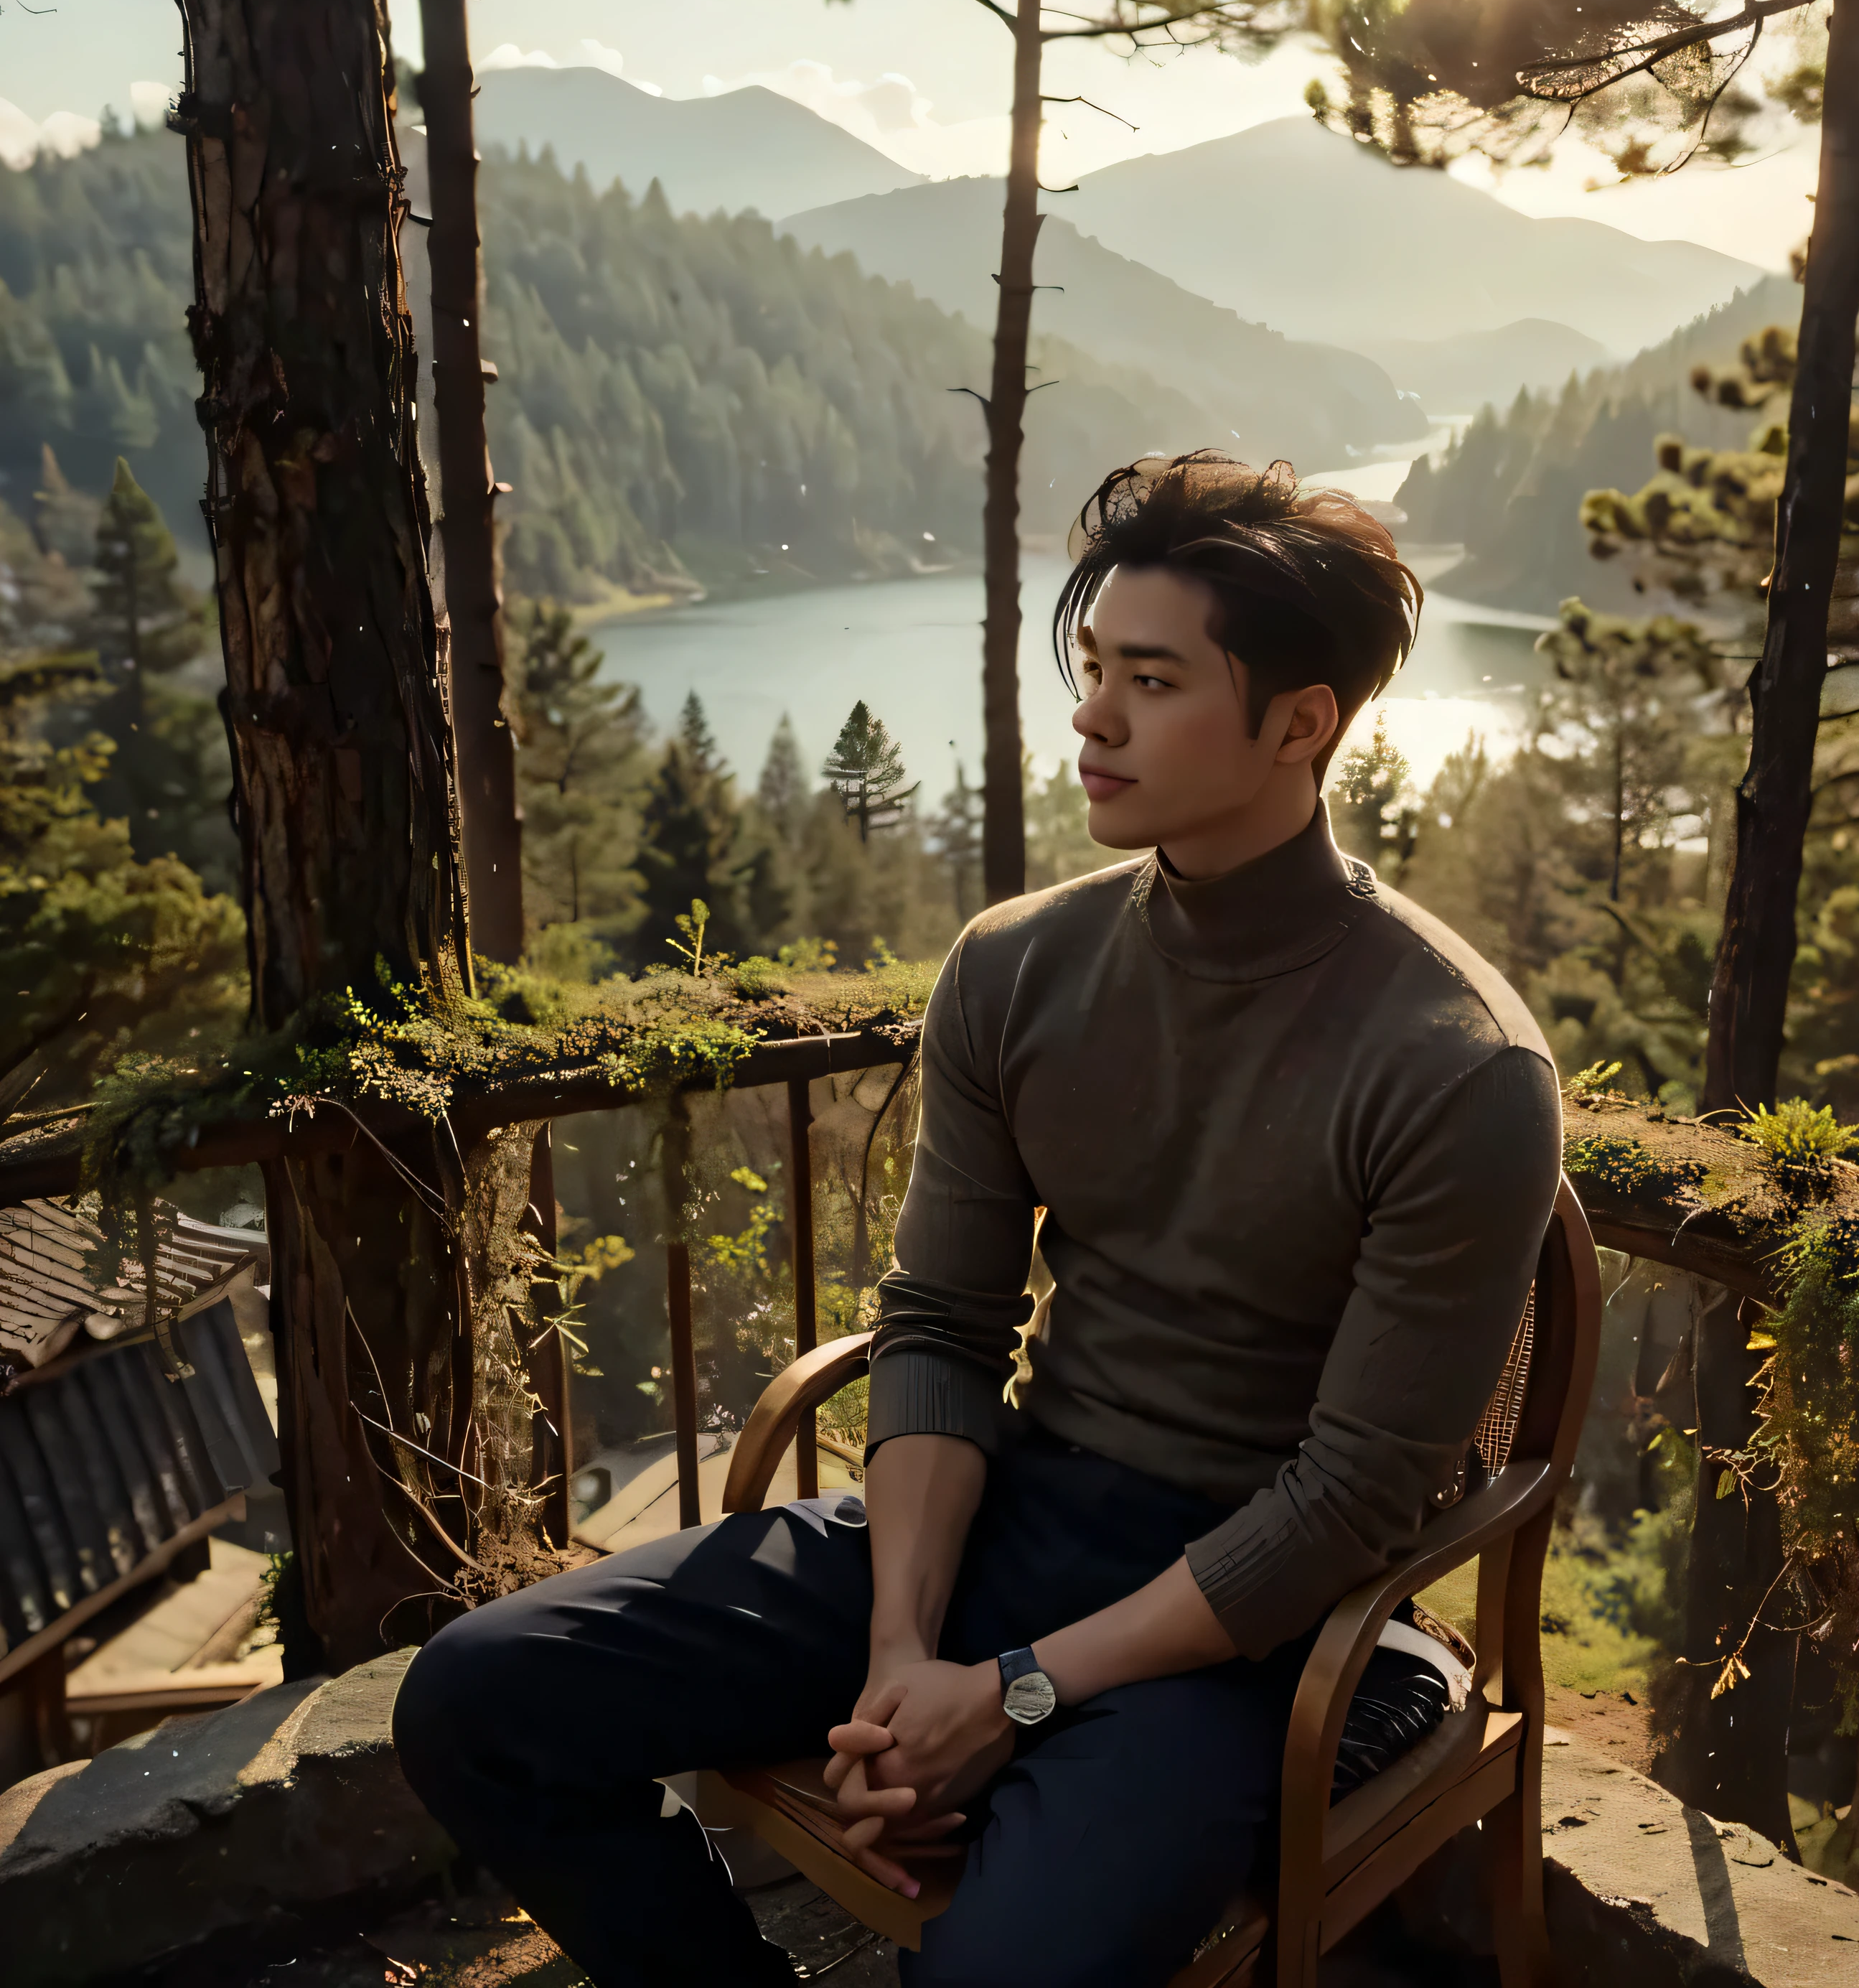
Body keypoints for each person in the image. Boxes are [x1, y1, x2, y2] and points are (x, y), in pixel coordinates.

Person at [393, 450, 1563, 1987]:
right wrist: (901, 1660)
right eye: (1094, 670)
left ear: (1302, 723)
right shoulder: (1016, 969)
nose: (1092, 717)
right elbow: (944, 1328)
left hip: (1269, 1626)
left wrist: (1003, 1695)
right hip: (1015, 1516)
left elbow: (1345, 1508)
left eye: (1152, 680)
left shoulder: (1458, 1068)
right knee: (478, 1703)